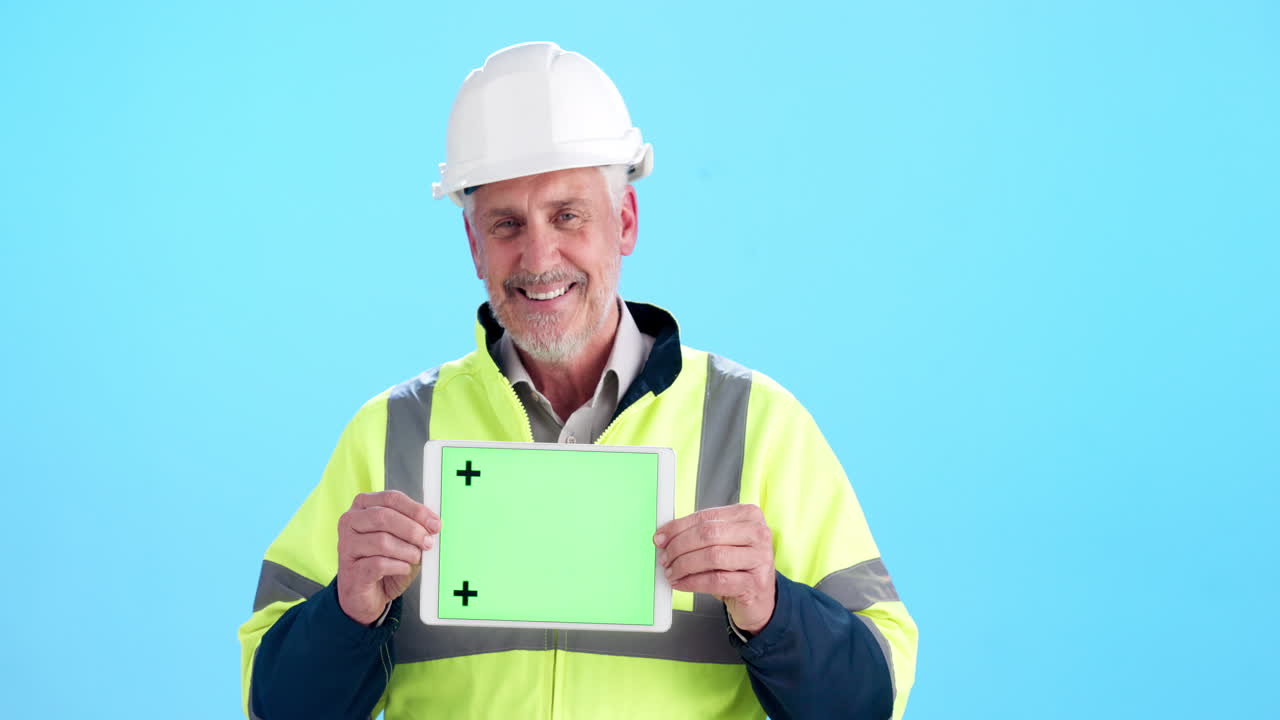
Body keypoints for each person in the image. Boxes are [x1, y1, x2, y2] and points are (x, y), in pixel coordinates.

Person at [238, 41, 917, 720]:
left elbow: (870, 700)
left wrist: (775, 610)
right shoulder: (390, 433)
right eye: (506, 224)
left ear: (624, 223)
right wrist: (347, 614)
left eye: (568, 215)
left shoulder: (756, 425)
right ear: (474, 246)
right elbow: (275, 706)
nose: (539, 258)